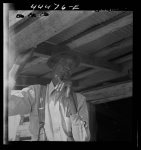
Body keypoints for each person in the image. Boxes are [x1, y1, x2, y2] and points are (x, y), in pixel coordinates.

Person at [8, 48, 90, 141]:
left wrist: (70, 99)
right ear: (52, 66)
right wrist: (17, 66)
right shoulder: (36, 93)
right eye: (63, 63)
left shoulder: (79, 100)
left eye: (71, 66)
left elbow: (83, 139)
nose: (67, 68)